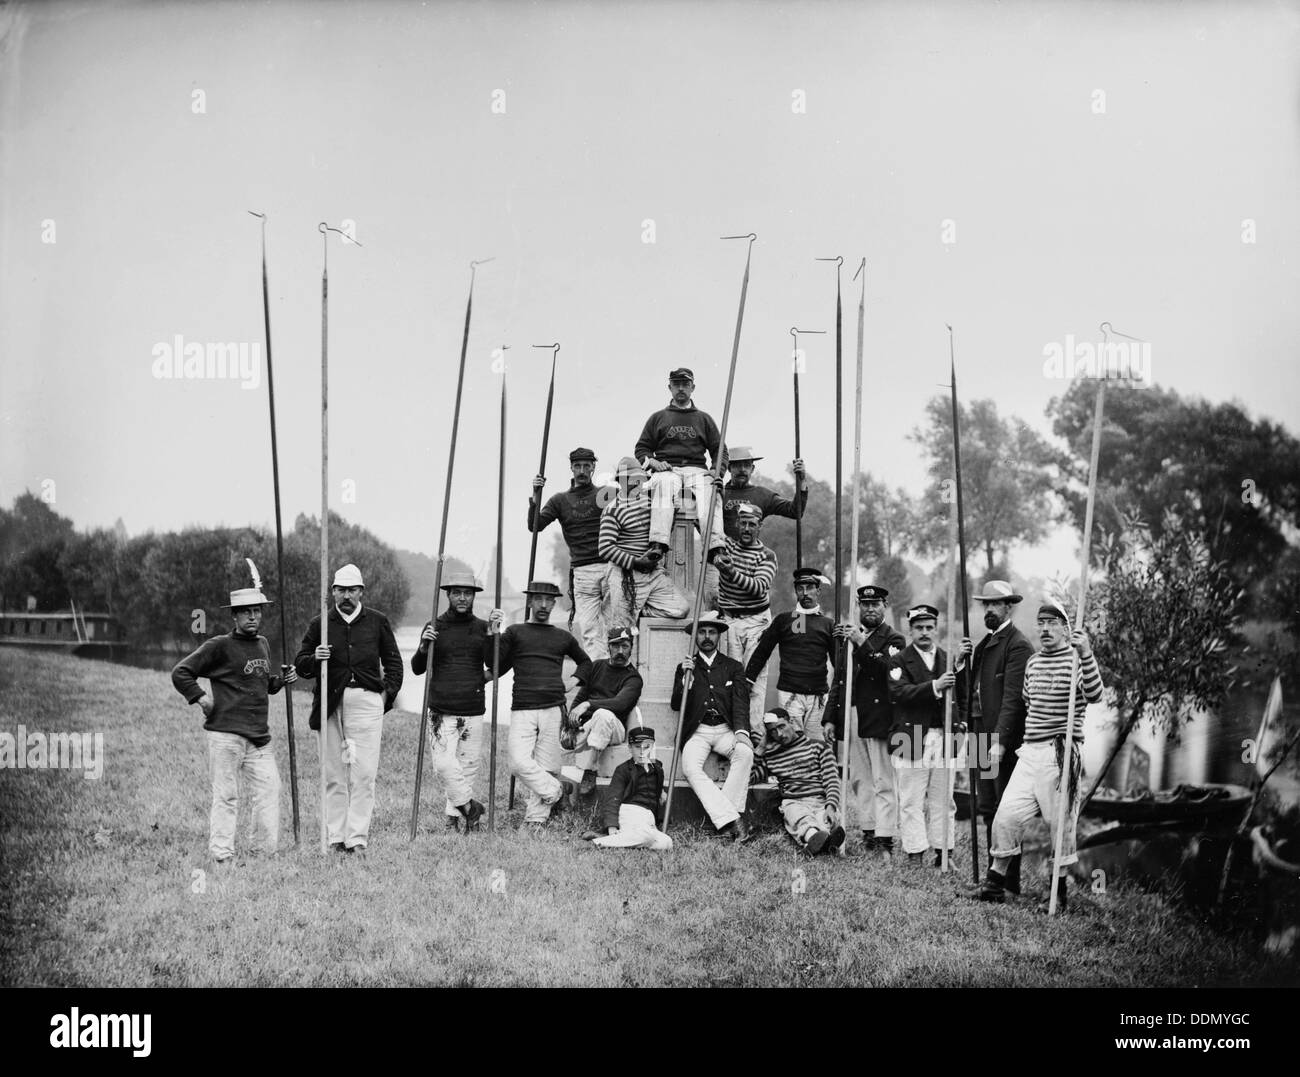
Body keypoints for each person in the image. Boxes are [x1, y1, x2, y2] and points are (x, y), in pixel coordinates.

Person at [971, 598, 1103, 910]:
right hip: (1030, 750)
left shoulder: (1076, 660)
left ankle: (1057, 894)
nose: (1044, 629)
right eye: (1041, 623)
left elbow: (1096, 694)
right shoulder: (1034, 662)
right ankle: (994, 884)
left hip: (1061, 752)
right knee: (1006, 816)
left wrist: (1086, 653)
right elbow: (1028, 701)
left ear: (1065, 629)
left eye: (1052, 623)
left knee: (1059, 825)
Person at [171, 580, 297, 864]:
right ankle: (222, 856)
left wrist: (280, 681)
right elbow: (181, 672)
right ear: (234, 616)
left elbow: (263, 684)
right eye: (246, 612)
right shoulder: (219, 645)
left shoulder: (263, 644)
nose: (253, 617)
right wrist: (201, 698)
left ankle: (262, 852)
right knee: (227, 796)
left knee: (269, 790)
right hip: (226, 736)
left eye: (257, 611)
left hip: (258, 737)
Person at [294, 563, 404, 855]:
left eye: (352, 590)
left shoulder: (377, 621)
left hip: (366, 702)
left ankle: (357, 838)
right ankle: (336, 837)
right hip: (331, 703)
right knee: (334, 774)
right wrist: (315, 657)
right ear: (332, 592)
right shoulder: (321, 624)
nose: (346, 596)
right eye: (340, 590)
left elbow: (394, 664)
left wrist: (384, 697)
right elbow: (300, 664)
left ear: (361, 592)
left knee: (363, 774)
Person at [492, 580, 590, 827]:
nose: (544, 605)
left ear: (554, 603)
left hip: (552, 708)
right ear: (530, 602)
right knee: (517, 762)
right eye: (538, 600)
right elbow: (493, 663)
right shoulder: (515, 633)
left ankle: (535, 819)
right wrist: (493, 633)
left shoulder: (562, 637)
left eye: (549, 600)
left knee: (548, 765)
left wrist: (571, 684)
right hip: (523, 706)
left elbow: (586, 663)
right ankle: (557, 791)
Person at [960, 579, 1034, 894]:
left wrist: (1001, 741)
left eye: (996, 604)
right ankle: (993, 880)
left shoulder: (1017, 645)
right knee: (987, 805)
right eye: (985, 604)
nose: (989, 609)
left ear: (1008, 607)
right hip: (978, 735)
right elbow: (970, 693)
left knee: (1007, 810)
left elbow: (1013, 700)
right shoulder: (981, 646)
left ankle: (1009, 883)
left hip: (998, 741)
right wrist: (960, 664)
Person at [888, 604, 972, 866]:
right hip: (911, 737)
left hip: (945, 736)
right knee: (911, 799)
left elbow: (964, 697)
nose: (925, 633)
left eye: (929, 628)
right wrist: (935, 686)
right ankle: (914, 852)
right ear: (910, 630)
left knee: (943, 800)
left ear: (937, 629)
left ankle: (944, 853)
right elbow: (899, 693)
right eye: (919, 628)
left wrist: (963, 725)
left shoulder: (950, 659)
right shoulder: (898, 660)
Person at [411, 571, 489, 832]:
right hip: (441, 709)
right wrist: (424, 646)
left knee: (466, 768)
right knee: (444, 765)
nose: (463, 598)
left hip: (473, 707)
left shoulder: (481, 627)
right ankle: (470, 808)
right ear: (448, 595)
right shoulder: (434, 625)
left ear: (474, 596)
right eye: (457, 593)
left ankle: (453, 819)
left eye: (468, 593)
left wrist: (495, 635)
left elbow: (495, 661)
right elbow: (417, 668)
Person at [831, 583, 906, 855]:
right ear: (858, 607)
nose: (870, 609)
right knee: (860, 779)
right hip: (854, 714)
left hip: (880, 715)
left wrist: (861, 643)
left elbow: (887, 672)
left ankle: (886, 837)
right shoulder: (850, 638)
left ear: (884, 607)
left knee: (883, 780)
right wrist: (830, 718)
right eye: (865, 604)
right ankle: (869, 831)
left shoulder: (894, 640)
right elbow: (839, 681)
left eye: (875, 604)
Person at [670, 613, 754, 842]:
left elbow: (740, 702)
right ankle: (733, 820)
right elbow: (676, 704)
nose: (707, 637)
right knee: (689, 767)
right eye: (702, 632)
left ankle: (726, 820)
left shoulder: (733, 667)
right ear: (695, 636)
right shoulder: (686, 667)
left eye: (712, 632)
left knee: (745, 753)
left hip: (725, 729)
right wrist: (685, 682)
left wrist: (741, 732)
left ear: (719, 636)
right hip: (698, 731)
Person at [528, 447, 616, 660]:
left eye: (587, 465)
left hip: (611, 566)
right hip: (583, 571)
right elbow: (535, 525)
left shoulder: (606, 494)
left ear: (594, 467)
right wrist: (535, 495)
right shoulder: (560, 500)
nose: (582, 470)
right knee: (589, 629)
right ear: (571, 468)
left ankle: (617, 676)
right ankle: (599, 676)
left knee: (615, 626)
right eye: (578, 466)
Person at [633, 367, 727, 563]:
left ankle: (715, 546)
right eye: (677, 384)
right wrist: (653, 462)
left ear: (693, 387)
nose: (681, 388)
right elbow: (642, 449)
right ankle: (658, 544)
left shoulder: (704, 418)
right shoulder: (658, 417)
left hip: (697, 470)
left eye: (685, 384)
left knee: (711, 488)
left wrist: (715, 470)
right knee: (663, 484)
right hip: (669, 468)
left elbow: (719, 449)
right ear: (670, 387)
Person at [745, 567, 835, 752]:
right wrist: (747, 680)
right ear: (796, 591)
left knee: (817, 746)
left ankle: (815, 779)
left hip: (818, 695)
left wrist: (838, 696)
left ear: (818, 590)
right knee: (790, 743)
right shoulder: (787, 620)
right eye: (801, 588)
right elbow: (763, 651)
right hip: (790, 694)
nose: (805, 593)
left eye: (810, 588)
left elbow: (837, 662)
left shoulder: (828, 625)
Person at [597, 456, 690, 627]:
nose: (635, 483)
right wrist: (636, 562)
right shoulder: (612, 508)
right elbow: (604, 548)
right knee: (621, 629)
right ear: (620, 481)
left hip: (652, 573)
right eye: (630, 479)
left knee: (680, 608)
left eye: (638, 479)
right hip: (624, 573)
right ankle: (625, 610)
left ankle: (637, 609)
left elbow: (662, 532)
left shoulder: (650, 502)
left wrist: (673, 513)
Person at [716, 503, 778, 734]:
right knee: (731, 678)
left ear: (760, 527)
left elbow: (759, 587)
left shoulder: (767, 555)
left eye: (752, 524)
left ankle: (754, 732)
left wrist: (730, 572)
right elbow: (706, 530)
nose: (747, 528)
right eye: (743, 523)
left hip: (756, 621)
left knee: (755, 679)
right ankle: (733, 729)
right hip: (730, 619)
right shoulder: (726, 545)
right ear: (736, 524)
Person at [751, 707, 845, 855]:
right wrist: (761, 749)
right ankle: (816, 839)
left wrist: (831, 806)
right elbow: (749, 778)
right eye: (773, 731)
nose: (779, 734)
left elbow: (832, 779)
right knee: (799, 817)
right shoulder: (772, 756)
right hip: (794, 801)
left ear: (792, 722)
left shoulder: (819, 747)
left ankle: (822, 840)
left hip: (820, 801)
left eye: (782, 726)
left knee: (825, 820)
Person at [564, 624, 645, 796]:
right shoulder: (597, 666)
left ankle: (590, 770)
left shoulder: (633, 678)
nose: (620, 651)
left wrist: (588, 705)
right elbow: (580, 697)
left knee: (603, 714)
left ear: (632, 648)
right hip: (590, 726)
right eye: (615, 646)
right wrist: (570, 723)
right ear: (608, 647)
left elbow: (620, 703)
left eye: (625, 646)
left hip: (614, 729)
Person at [584, 724, 673, 852]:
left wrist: (661, 793)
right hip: (630, 812)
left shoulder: (658, 770)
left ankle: (616, 840)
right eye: (637, 747)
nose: (642, 752)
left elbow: (656, 788)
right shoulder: (624, 770)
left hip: (649, 818)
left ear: (652, 747)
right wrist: (611, 826)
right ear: (630, 748)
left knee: (666, 843)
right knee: (646, 836)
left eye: (647, 747)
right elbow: (613, 799)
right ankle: (596, 843)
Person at [720, 445, 808, 540]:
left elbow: (794, 511)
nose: (742, 469)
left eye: (746, 465)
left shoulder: (762, 495)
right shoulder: (718, 494)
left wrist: (802, 481)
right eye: (737, 465)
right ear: (729, 468)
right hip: (722, 552)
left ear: (752, 468)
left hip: (751, 553)